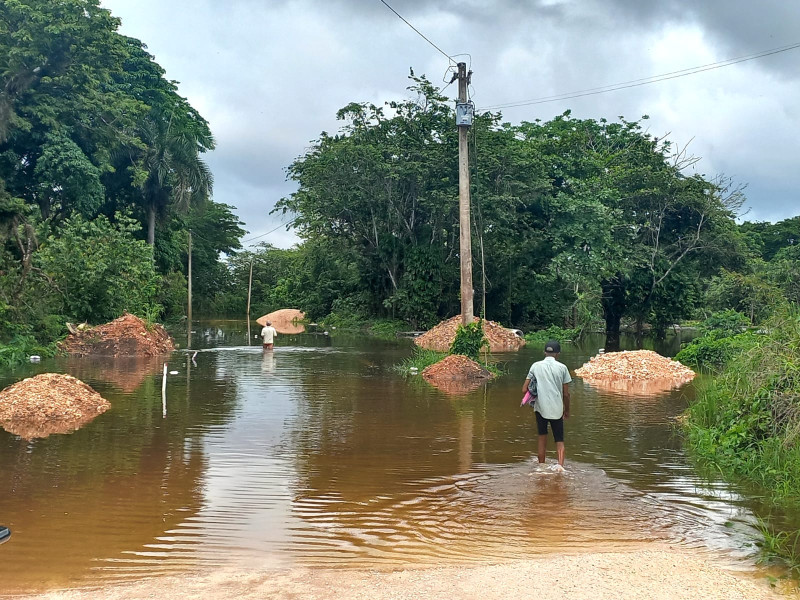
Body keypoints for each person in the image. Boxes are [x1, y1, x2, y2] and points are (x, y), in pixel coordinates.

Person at [522, 340, 572, 471]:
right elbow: (566, 394)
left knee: (542, 437)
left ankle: (541, 467)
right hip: (557, 409)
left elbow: (524, 389)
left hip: (540, 408)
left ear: (545, 352)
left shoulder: (535, 366)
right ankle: (560, 467)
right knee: (559, 440)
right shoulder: (562, 368)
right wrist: (567, 410)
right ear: (558, 354)